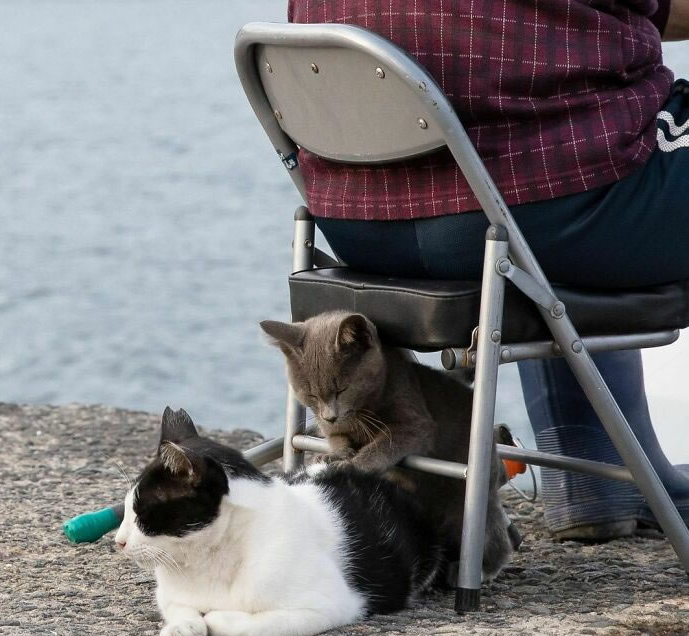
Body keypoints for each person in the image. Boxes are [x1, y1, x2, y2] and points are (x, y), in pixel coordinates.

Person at [287, 0, 689, 539]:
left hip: (363, 222)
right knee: (575, 151)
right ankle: (600, 470)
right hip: (530, 207)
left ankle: (600, 472)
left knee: (554, 125)